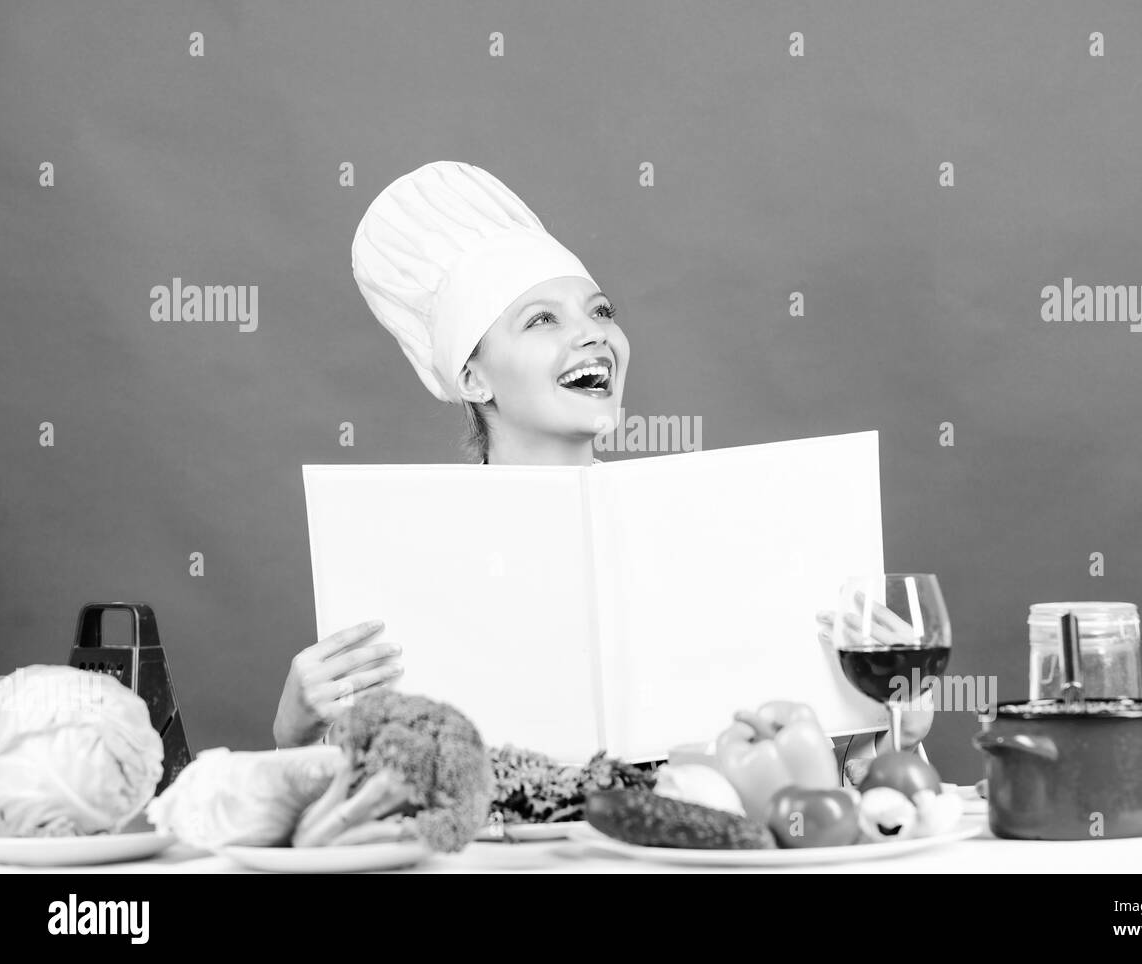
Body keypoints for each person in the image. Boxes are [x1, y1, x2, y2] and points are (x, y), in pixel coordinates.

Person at [272, 161, 931, 781]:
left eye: (601, 312)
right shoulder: (407, 555)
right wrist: (294, 731)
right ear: (472, 376)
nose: (592, 335)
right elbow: (340, 814)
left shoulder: (717, 527)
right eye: (541, 320)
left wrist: (892, 715)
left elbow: (843, 802)